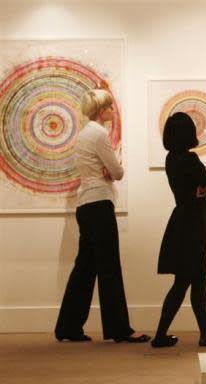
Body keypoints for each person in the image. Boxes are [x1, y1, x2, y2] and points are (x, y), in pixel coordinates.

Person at [55, 89, 150, 344]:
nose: (111, 111)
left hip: (84, 204)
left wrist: (107, 170)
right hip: (99, 204)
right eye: (108, 107)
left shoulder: (83, 135)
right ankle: (119, 329)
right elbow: (117, 173)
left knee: (84, 268)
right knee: (109, 267)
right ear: (100, 110)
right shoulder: (99, 134)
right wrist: (112, 169)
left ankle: (68, 326)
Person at [151, 112, 206, 348]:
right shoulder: (191, 160)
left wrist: (197, 191)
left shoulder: (171, 159)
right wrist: (201, 192)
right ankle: (192, 334)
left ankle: (201, 333)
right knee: (190, 280)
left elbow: (197, 190)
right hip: (194, 223)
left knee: (189, 279)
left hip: (181, 220)